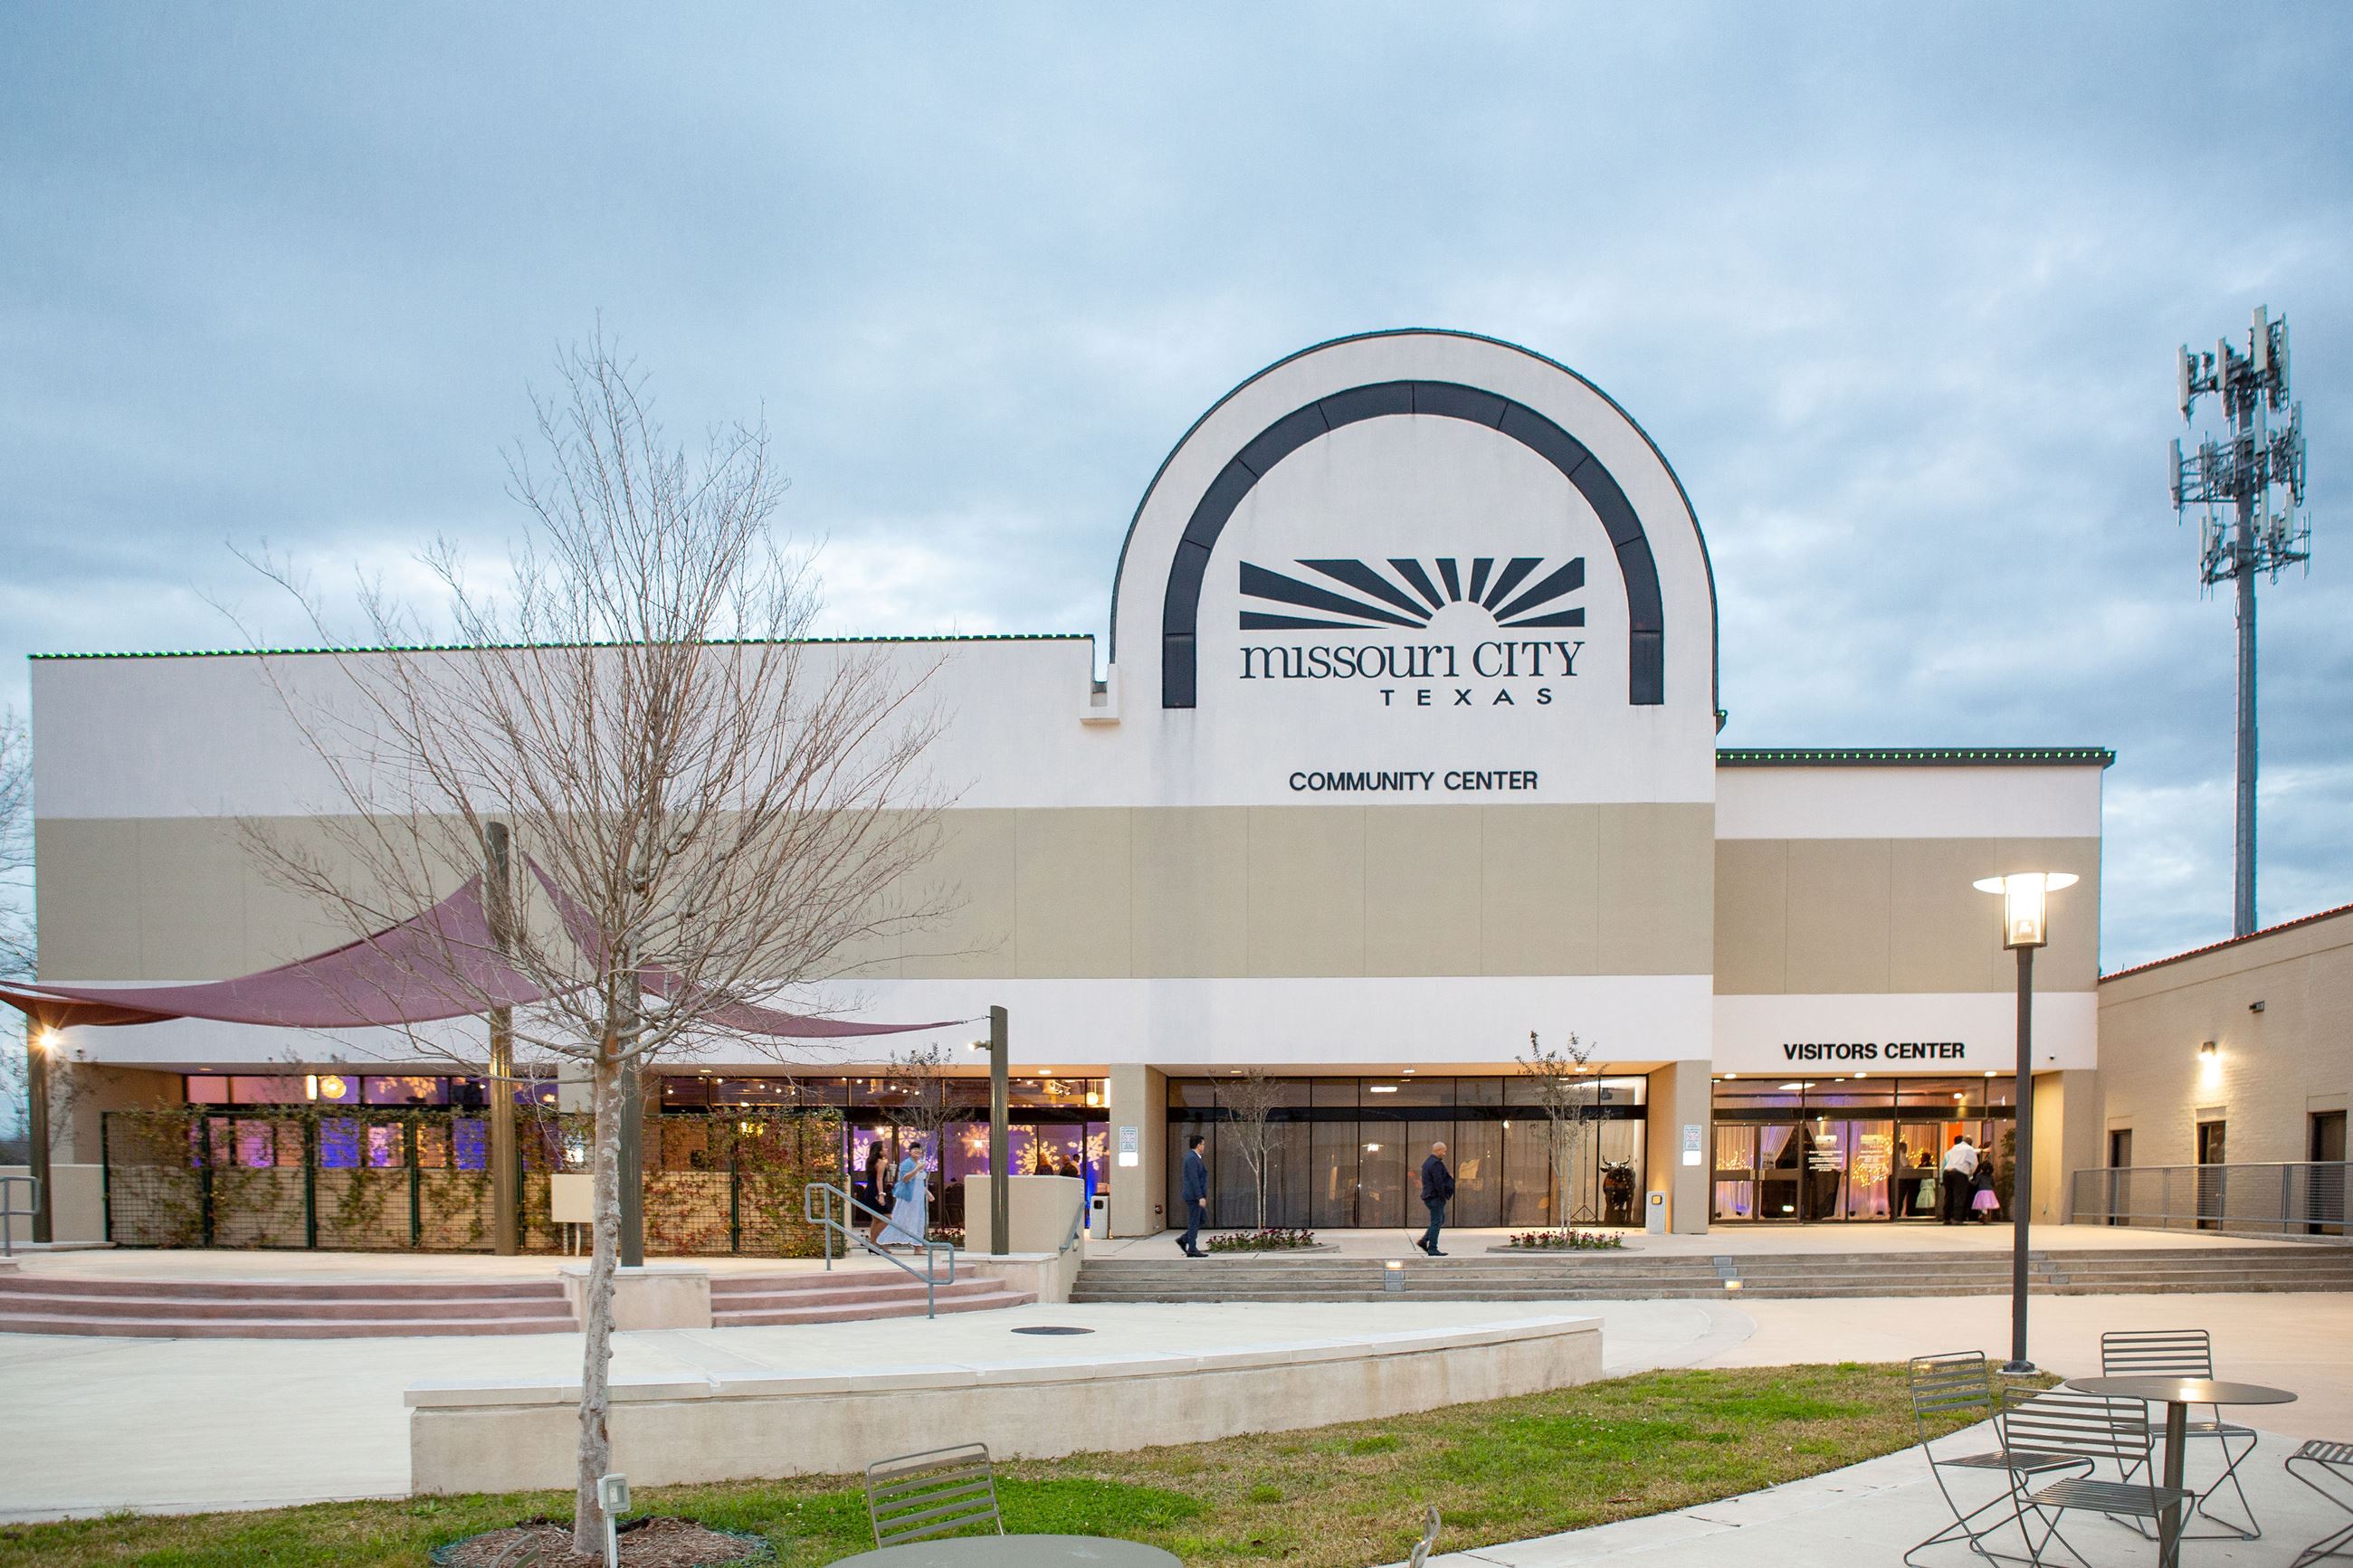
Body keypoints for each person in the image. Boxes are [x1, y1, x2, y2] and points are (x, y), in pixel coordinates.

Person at [881, 1136, 929, 1248]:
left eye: (919, 1149)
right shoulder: (907, 1163)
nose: (917, 1151)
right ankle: (884, 1242)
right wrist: (917, 1169)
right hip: (907, 1198)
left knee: (918, 1221)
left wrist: (928, 1193)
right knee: (901, 1219)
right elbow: (905, 1179)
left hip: (918, 1199)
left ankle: (918, 1247)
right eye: (914, 1149)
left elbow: (919, 1182)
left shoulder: (921, 1163)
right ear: (910, 1152)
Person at [1418, 1141, 1455, 1256]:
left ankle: (1424, 1241)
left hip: (1430, 1196)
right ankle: (1432, 1248)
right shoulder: (1435, 1164)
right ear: (1438, 1150)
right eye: (1444, 1151)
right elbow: (1438, 1182)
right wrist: (1443, 1196)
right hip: (1435, 1197)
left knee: (1440, 1219)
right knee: (1436, 1222)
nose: (1444, 1154)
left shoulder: (1427, 1163)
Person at [1178, 1134, 1208, 1257]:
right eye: (1203, 1144)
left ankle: (1184, 1239)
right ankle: (1192, 1248)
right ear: (1198, 1145)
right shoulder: (1191, 1158)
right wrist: (1200, 1196)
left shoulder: (1196, 1157)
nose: (1204, 1146)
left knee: (1202, 1219)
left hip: (1195, 1195)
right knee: (1194, 1222)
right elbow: (1194, 1179)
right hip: (1193, 1196)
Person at [862, 1136, 894, 1247]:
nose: (887, 1149)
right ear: (879, 1151)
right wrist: (881, 1195)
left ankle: (874, 1243)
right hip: (876, 1191)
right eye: (884, 1148)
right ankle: (873, 1242)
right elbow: (879, 1179)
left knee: (876, 1219)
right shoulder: (880, 1162)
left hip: (869, 1190)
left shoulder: (870, 1162)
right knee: (887, 1218)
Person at [1940, 1135, 1978, 1225]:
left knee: (1949, 1196)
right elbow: (1974, 1164)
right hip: (1959, 1173)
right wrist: (1970, 1174)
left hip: (1947, 1171)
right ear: (1971, 1143)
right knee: (1959, 1196)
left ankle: (1946, 1218)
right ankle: (1957, 1219)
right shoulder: (1969, 1149)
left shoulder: (1955, 1147)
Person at [1971, 1157, 2000, 1221]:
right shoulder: (1990, 1176)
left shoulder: (1979, 1175)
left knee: (1982, 1206)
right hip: (1989, 1192)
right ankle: (1987, 1217)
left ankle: (1984, 1217)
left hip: (1981, 1192)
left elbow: (1975, 1184)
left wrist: (1970, 1181)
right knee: (1988, 1205)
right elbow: (1993, 1184)